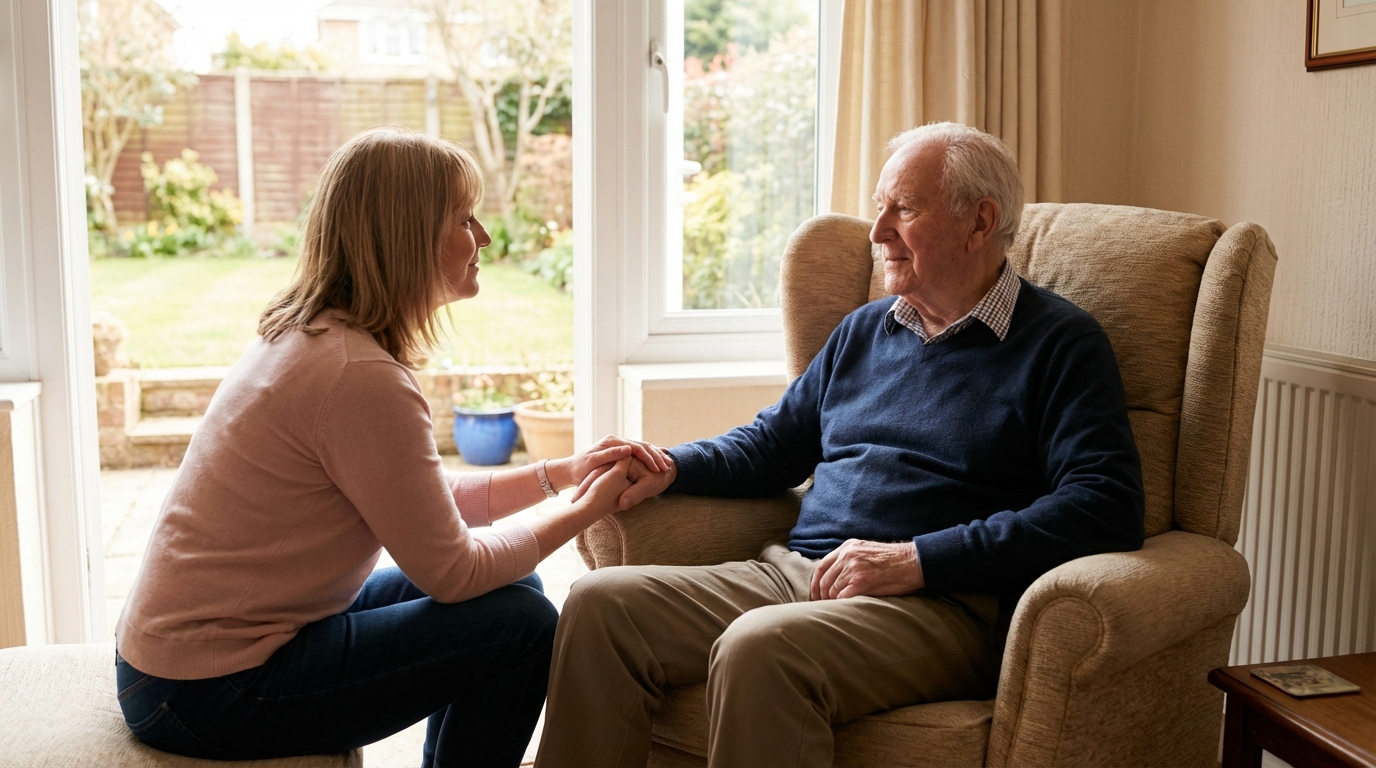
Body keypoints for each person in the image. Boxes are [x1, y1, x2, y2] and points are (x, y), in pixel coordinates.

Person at [536, 122, 1146, 767]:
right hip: (799, 573)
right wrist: (670, 466)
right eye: (880, 207)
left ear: (980, 221)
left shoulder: (1060, 345)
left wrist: (916, 559)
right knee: (601, 606)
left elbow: (1105, 505)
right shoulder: (864, 330)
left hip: (938, 604)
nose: (877, 231)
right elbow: (773, 446)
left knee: (761, 647)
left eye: (903, 209)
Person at [114, 126, 670, 767]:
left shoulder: (311, 337)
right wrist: (589, 506)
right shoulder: (358, 376)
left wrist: (561, 473)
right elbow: (453, 573)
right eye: (465, 218)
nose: (485, 237)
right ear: (411, 237)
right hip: (206, 690)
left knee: (517, 586)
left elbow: (414, 496)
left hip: (177, 662)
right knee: (523, 626)